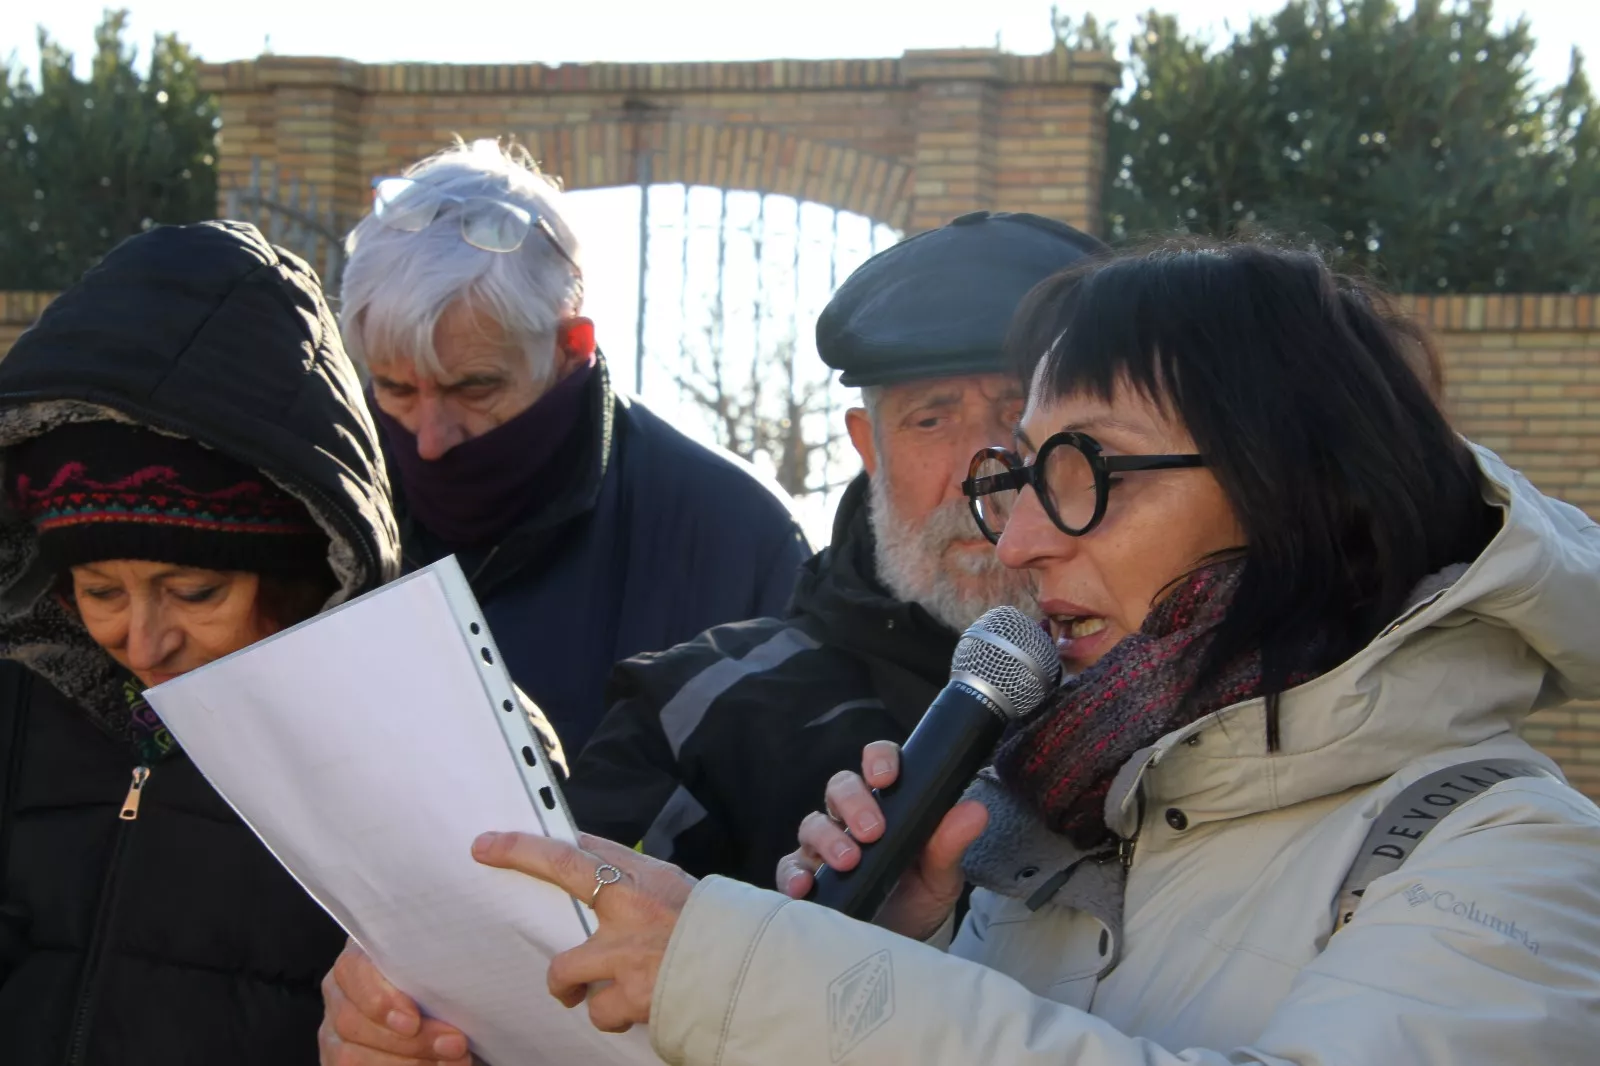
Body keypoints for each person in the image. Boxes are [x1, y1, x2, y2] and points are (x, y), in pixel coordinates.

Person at [326, 238, 1600, 1065]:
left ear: (1295, 493)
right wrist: (902, 940)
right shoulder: (1044, 824)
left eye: (1078, 469)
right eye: (1005, 471)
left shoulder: (1511, 850)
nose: (1023, 537)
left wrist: (764, 976)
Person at [564, 211, 1106, 887]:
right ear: (866, 445)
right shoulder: (700, 713)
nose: (981, 468)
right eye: (930, 419)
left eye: (1017, 410)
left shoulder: (1175, 685)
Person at [0, 222, 402, 1065]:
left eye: (196, 592)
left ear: (303, 575)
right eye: (99, 590)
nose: (142, 639)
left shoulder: (424, 746)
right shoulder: (18, 700)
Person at [339, 139, 811, 751]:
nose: (430, 440)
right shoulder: (323, 506)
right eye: (397, 389)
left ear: (571, 348)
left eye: (475, 387)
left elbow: (788, 805)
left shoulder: (739, 537)